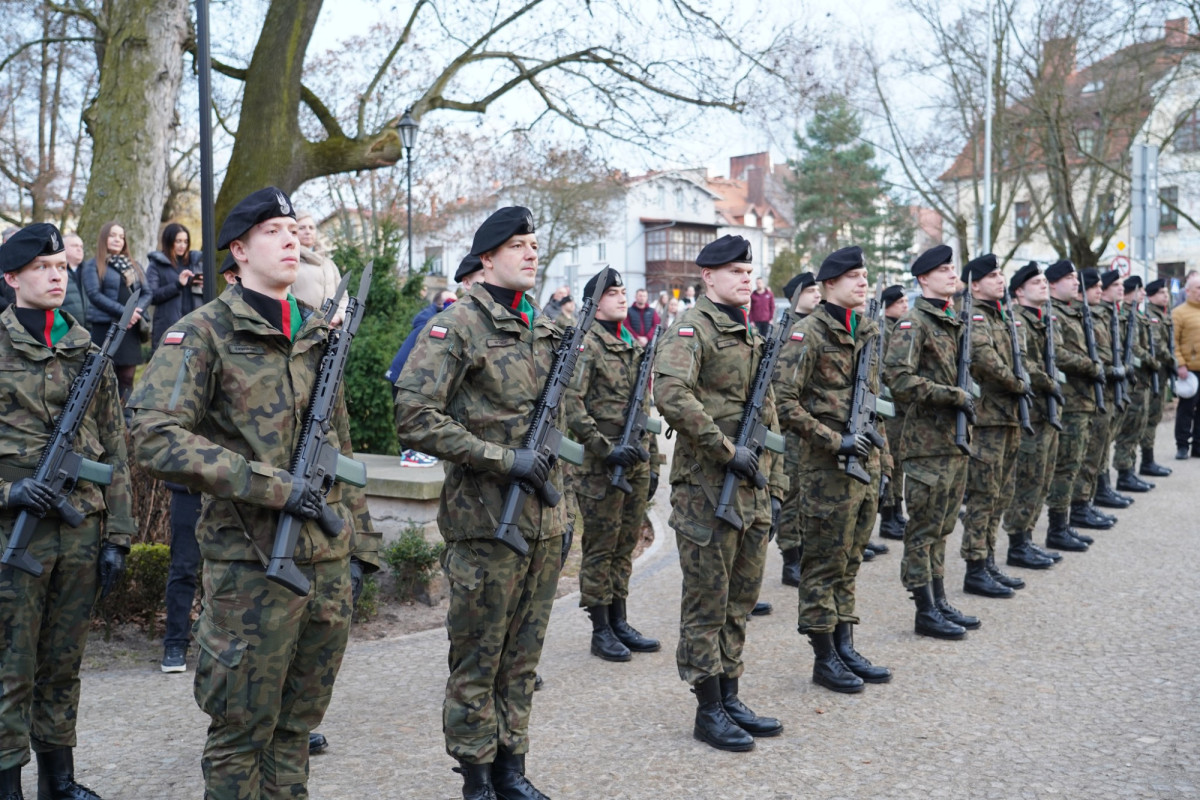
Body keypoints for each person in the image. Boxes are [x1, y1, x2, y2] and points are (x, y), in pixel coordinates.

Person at [129, 187, 379, 800]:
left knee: (296, 730)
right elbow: (153, 436)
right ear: (238, 251)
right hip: (251, 569)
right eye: (272, 231)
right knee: (240, 734)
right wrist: (270, 486)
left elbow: (339, 446)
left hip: (324, 562)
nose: (290, 239)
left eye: (293, 229)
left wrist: (362, 544)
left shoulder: (316, 332)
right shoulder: (202, 333)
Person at [394, 206, 567, 800]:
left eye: (534, 244)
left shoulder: (544, 328)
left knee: (523, 657)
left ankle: (512, 769)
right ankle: (476, 778)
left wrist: (563, 509)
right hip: (485, 524)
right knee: (478, 657)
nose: (531, 253)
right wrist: (499, 458)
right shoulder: (458, 326)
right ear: (486, 259)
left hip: (543, 523)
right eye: (518, 245)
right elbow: (414, 416)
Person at [0, 223, 136, 800]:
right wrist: (8, 492)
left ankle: (58, 781)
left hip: (81, 529)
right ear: (12, 278)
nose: (56, 276)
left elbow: (115, 448)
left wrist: (119, 535)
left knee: (62, 663)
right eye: (42, 268)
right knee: (10, 667)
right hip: (16, 535)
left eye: (60, 267)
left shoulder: (88, 350)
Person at [653, 233, 786, 753]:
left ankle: (730, 695)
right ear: (708, 277)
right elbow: (670, 393)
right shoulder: (693, 328)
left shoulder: (748, 331)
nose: (746, 279)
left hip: (751, 487)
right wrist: (725, 449)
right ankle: (708, 709)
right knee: (707, 603)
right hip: (707, 490)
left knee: (740, 601)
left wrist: (775, 481)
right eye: (735, 271)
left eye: (749, 271)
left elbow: (767, 411)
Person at [775, 247, 892, 694]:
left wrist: (885, 462)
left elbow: (873, 403)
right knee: (823, 565)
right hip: (826, 470)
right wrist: (832, 439)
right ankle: (824, 657)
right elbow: (783, 402)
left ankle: (845, 646)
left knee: (850, 561)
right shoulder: (807, 333)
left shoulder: (867, 330)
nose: (863, 282)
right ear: (828, 286)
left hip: (865, 465)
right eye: (853, 276)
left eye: (865, 275)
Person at [882, 244, 980, 640]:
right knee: (923, 529)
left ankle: (939, 600)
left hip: (954, 441)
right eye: (943, 270)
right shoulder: (914, 322)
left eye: (952, 268)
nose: (952, 274)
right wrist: (951, 395)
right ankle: (924, 609)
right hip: (926, 444)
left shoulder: (952, 320)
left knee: (942, 527)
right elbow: (898, 379)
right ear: (924, 279)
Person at [564, 267, 662, 663]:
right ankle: (600, 628)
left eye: (623, 292)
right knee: (601, 547)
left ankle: (620, 619)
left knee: (625, 544)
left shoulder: (631, 344)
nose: (622, 298)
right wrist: (605, 449)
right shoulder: (587, 345)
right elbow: (573, 406)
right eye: (613, 293)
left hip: (634, 460)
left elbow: (643, 410)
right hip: (600, 466)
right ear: (595, 303)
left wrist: (653, 462)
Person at [956, 254, 1030, 599]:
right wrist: (1017, 382)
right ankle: (974, 567)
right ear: (975, 285)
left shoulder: (1001, 315)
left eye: (1001, 274)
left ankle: (988, 560)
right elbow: (985, 359)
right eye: (993, 276)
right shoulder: (974, 316)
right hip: (987, 419)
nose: (1001, 280)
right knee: (983, 495)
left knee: (1001, 493)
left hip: (1008, 415)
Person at [1000, 263, 1064, 570]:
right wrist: (1048, 381)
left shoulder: (1045, 319)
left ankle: (1027, 538)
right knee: (1027, 479)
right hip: (1031, 413)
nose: (1043, 285)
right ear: (1019, 291)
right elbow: (1024, 363)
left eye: (1043, 281)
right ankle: (1017, 543)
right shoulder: (1017, 321)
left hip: (1048, 411)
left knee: (1042, 479)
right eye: (1036, 282)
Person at [1044, 260, 1103, 547]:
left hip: (1083, 398)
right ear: (1053, 284)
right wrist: (1091, 366)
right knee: (1066, 465)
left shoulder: (1072, 312)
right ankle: (1057, 528)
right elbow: (1057, 353)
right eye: (1069, 278)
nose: (1076, 282)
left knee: (1078, 461)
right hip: (1069, 400)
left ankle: (1070, 517)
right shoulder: (1052, 314)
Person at [773, 271, 821, 588]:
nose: (817, 294)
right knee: (791, 494)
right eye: (810, 290)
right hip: (791, 425)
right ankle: (791, 560)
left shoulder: (815, 327)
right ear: (795, 297)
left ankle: (804, 553)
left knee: (808, 492)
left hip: (812, 423)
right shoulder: (787, 331)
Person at [385, 282, 461, 468]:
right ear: (440, 304)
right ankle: (408, 454)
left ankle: (417, 452)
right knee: (408, 414)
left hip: (411, 375)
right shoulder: (432, 323)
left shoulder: (434, 320)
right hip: (404, 376)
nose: (456, 306)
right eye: (451, 302)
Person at [1084, 270, 1133, 512]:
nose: (1121, 289)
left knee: (1103, 445)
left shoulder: (1108, 314)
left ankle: (1101, 489)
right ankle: (1091, 496)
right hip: (1098, 390)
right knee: (1094, 449)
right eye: (1115, 285)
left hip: (1112, 388)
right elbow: (1100, 353)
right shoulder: (1094, 315)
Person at [80, 221, 146, 402]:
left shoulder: (134, 265)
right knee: (103, 378)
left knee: (128, 377)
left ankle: (126, 416)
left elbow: (147, 292)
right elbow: (94, 294)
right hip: (105, 328)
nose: (118, 239)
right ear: (104, 238)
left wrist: (136, 313)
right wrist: (126, 313)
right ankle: (104, 415)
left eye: (121, 237)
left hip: (130, 328)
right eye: (113, 235)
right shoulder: (92, 265)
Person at [1111, 276, 1157, 493]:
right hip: (1133, 381)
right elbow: (1133, 348)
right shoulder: (1126, 316)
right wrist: (1150, 360)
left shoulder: (1137, 315)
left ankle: (1130, 471)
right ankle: (1124, 473)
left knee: (1138, 426)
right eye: (1140, 290)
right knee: (1129, 429)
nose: (1144, 294)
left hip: (1141, 380)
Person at [877, 285, 909, 542]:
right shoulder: (883, 331)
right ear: (888, 306)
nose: (905, 306)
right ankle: (888, 516)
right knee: (890, 461)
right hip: (889, 407)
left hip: (899, 406)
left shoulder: (897, 328)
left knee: (898, 461)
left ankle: (897, 511)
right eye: (901, 303)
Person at [145, 222, 204, 349]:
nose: (183, 245)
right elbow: (151, 295)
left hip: (195, 326)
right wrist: (178, 284)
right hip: (168, 327)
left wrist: (203, 285)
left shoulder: (196, 262)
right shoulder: (156, 264)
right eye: (178, 241)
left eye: (186, 241)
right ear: (169, 241)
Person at [1139, 278, 1175, 475]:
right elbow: (1158, 347)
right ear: (1151, 296)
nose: (1166, 296)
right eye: (1161, 293)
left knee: (1155, 416)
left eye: (1166, 292)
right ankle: (1147, 461)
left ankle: (1149, 459)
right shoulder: (1152, 317)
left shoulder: (1163, 315)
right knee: (1151, 417)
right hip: (1155, 373)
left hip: (1161, 373)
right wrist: (1173, 361)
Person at [294, 212, 348, 327]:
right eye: (302, 228)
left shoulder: (329, 264)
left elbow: (343, 296)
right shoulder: (289, 262)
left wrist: (338, 316)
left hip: (333, 332)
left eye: (311, 228)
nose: (307, 231)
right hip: (302, 332)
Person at [1173, 271, 1200, 458]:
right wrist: (1180, 364)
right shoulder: (1179, 313)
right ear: (1188, 291)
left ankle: (1198, 446)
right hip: (1189, 371)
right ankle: (1182, 445)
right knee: (1186, 408)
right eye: (1198, 288)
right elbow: (1173, 342)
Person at [59, 233, 88, 324]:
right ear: (63, 248)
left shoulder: (90, 271)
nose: (79, 249)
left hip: (90, 328)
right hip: (65, 326)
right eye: (74, 246)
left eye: (81, 246)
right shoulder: (56, 272)